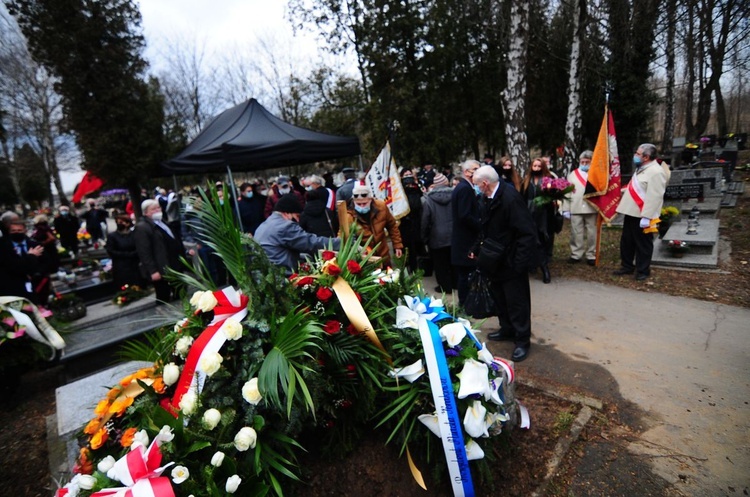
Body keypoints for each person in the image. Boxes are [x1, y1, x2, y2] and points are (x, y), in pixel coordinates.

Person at [472, 166, 538, 362]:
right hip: (494, 259)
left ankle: (522, 340)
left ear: (485, 183)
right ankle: (507, 328)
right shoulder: (486, 198)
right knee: (500, 298)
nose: (474, 188)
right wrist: (476, 248)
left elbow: (527, 234)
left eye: (476, 185)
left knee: (517, 302)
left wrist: (518, 264)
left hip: (511, 261)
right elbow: (484, 227)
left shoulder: (510, 199)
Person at [613, 143, 670, 281]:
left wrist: (647, 216)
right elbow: (635, 187)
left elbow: (655, 196)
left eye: (638, 154)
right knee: (627, 241)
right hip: (631, 212)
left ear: (646, 157)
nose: (635, 156)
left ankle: (643, 270)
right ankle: (627, 266)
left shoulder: (656, 172)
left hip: (643, 214)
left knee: (643, 243)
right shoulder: (642, 168)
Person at [254, 194, 341, 275]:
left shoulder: (264, 225)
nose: (298, 221)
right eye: (297, 216)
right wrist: (340, 242)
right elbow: (311, 243)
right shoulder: (284, 226)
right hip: (283, 275)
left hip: (267, 273)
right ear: (287, 213)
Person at [134, 199, 186, 304]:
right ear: (146, 212)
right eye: (153, 209)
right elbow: (144, 252)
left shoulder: (161, 221)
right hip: (161, 269)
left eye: (158, 207)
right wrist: (153, 271)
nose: (157, 210)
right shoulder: (142, 227)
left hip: (174, 264)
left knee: (180, 293)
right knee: (164, 297)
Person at [344, 183, 403, 265]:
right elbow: (342, 237)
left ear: (370, 200)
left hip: (383, 255)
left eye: (364, 203)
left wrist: (397, 245)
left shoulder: (381, 207)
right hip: (364, 260)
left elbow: (392, 226)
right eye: (358, 204)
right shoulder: (348, 217)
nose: (362, 206)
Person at [451, 160, 481, 305]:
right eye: (475, 169)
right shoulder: (464, 189)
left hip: (463, 237)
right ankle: (464, 303)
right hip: (465, 239)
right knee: (465, 274)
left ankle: (466, 302)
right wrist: (480, 225)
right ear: (466, 172)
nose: (478, 171)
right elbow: (464, 215)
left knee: (465, 273)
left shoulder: (465, 187)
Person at [522, 157, 557, 284]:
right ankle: (532, 265)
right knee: (530, 240)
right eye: (534, 166)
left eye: (539, 166)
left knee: (541, 241)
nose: (536, 168)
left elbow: (554, 196)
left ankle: (544, 268)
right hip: (529, 214)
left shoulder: (549, 179)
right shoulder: (526, 180)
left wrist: (550, 190)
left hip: (544, 216)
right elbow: (522, 197)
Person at [562, 150, 597, 265]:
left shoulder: (596, 174)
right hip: (575, 207)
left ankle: (591, 254)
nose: (584, 163)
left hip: (591, 208)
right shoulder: (573, 174)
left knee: (592, 232)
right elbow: (567, 192)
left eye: (587, 161)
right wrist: (566, 208)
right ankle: (576, 254)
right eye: (582, 161)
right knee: (576, 232)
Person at [421, 172, 454, 293]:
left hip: (436, 236)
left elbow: (426, 220)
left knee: (440, 265)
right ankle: (455, 284)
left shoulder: (429, 199)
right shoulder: (455, 196)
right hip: (453, 235)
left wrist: (424, 237)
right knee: (453, 262)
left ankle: (444, 287)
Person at [2, 219, 44, 303]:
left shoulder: (35, 245)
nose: (16, 233)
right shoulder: (5, 248)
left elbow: (46, 263)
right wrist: (31, 256)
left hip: (38, 284)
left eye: (19, 230)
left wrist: (37, 274)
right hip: (15, 288)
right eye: (13, 231)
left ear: (25, 230)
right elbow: (15, 266)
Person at [106, 215, 142, 289]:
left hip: (134, 264)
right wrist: (127, 254)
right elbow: (111, 251)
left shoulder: (134, 234)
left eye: (121, 222)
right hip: (121, 265)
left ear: (128, 223)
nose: (119, 224)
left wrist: (135, 253)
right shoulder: (112, 236)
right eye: (118, 222)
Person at [398, 168, 424, 271]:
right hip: (405, 222)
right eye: (406, 175)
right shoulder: (400, 191)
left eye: (409, 174)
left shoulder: (417, 188)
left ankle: (417, 265)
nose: (408, 177)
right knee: (407, 245)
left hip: (416, 220)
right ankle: (407, 264)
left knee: (417, 244)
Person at [30, 215, 59, 305]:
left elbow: (51, 238)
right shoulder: (42, 228)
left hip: (47, 251)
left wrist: (42, 243)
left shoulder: (42, 228)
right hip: (46, 251)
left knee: (47, 273)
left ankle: (52, 293)